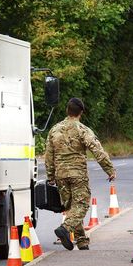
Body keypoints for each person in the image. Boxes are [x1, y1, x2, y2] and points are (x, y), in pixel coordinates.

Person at [45, 98, 116, 250]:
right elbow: (97, 150)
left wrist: (50, 176)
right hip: (77, 174)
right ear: (81, 113)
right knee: (82, 204)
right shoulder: (82, 129)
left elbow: (48, 155)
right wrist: (109, 169)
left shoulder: (54, 130)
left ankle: (82, 241)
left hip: (60, 175)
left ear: (67, 111)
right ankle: (65, 228)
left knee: (71, 206)